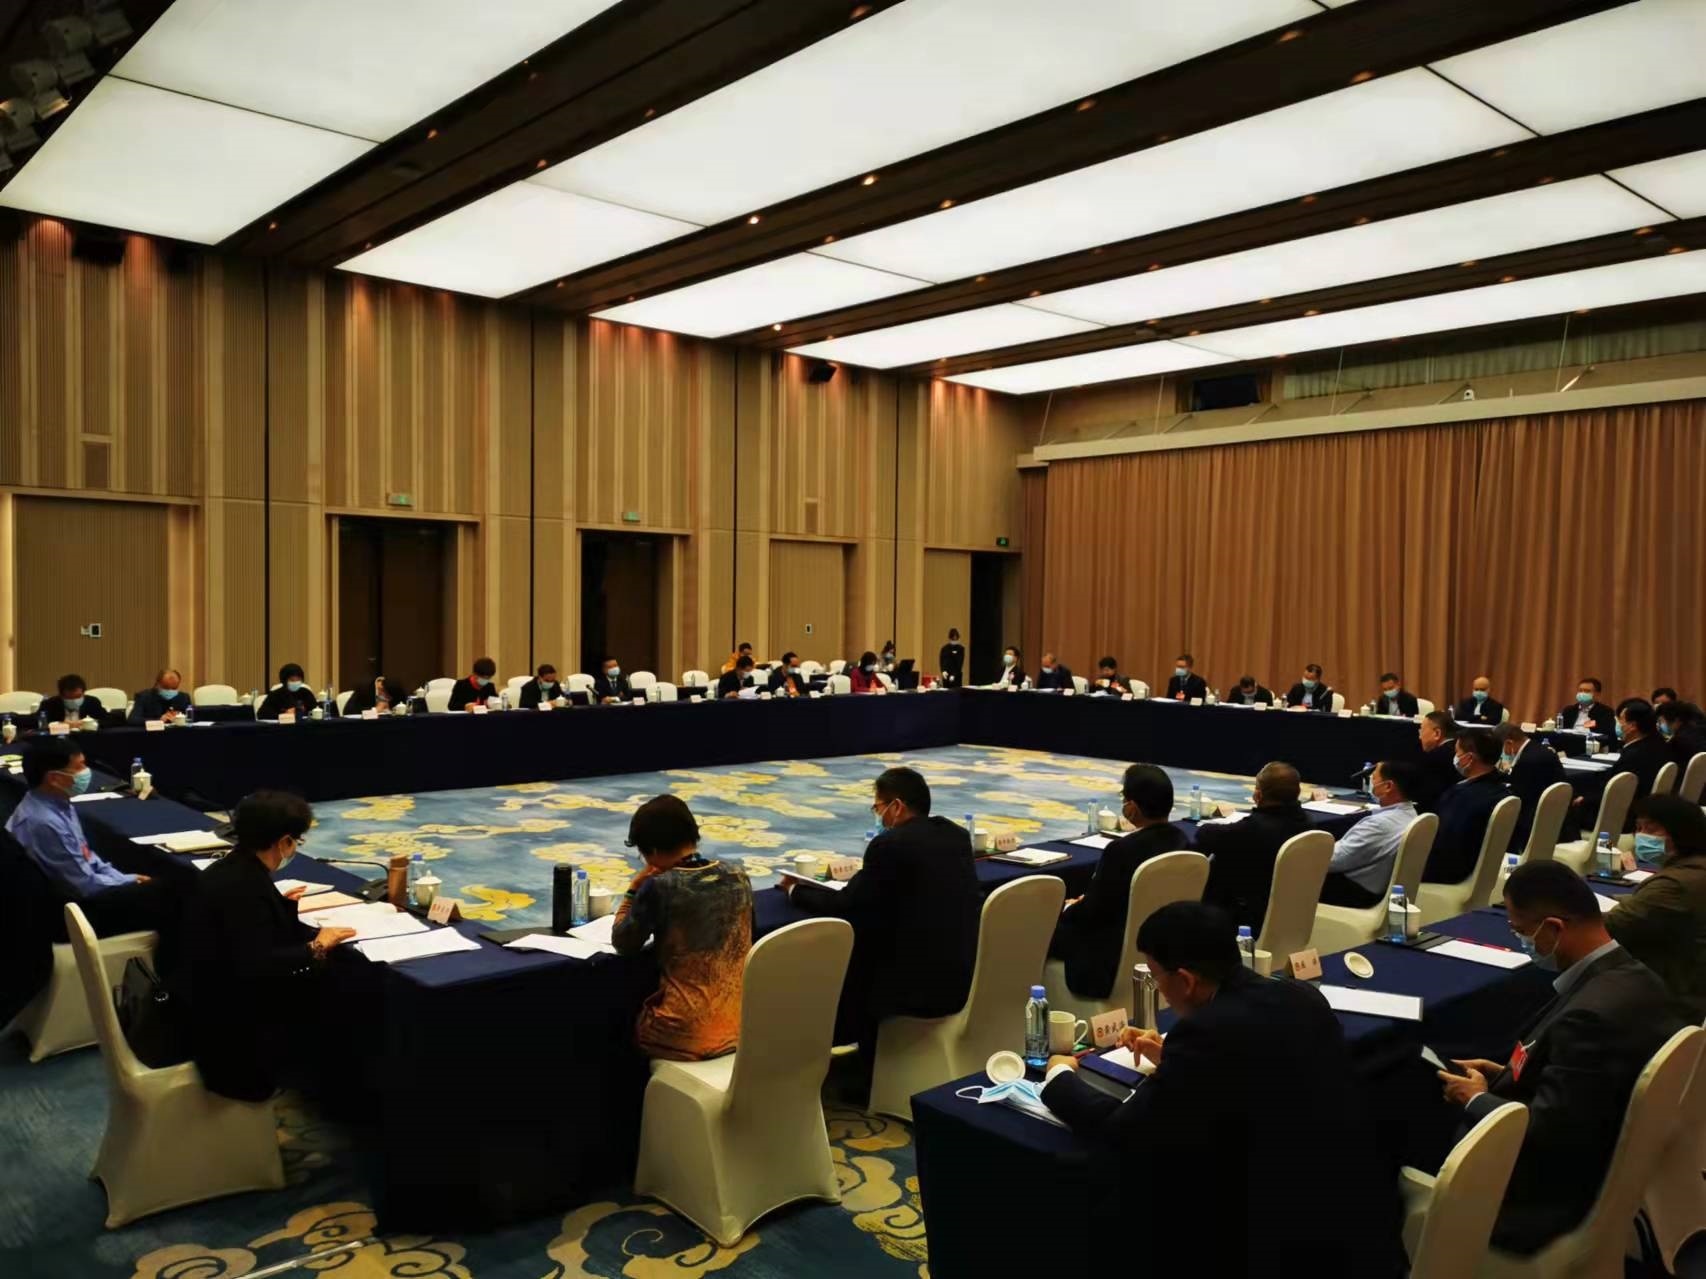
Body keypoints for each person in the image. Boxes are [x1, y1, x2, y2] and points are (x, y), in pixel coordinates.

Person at [1042, 902, 1397, 1277]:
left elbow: (1123, 1129)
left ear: (1186, 981)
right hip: (1354, 1212)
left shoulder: (1206, 1032)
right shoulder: (1301, 997)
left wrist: (1060, 1076)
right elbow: (1255, 1070)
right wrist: (1173, 1058)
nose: (1160, 991)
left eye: (1158, 978)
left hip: (1272, 1236)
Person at [1435, 861, 1685, 1256]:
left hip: (1542, 1199)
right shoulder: (1640, 978)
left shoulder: (1587, 1018)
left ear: (1553, 928)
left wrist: (1477, 1099)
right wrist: (1506, 1075)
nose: (1522, 941)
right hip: (1608, 1162)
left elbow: (1549, 1133)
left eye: (1520, 931)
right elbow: (1587, 1085)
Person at [783, 767, 980, 1068]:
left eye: (878, 808)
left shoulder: (890, 845)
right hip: (963, 978)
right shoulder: (956, 835)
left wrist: (795, 890)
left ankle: (859, 1072)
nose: (878, 816)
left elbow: (846, 904)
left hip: (914, 989)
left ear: (896, 806)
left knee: (848, 963)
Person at [171, 791, 356, 1101]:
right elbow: (258, 961)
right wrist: (317, 945)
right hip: (229, 1031)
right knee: (340, 992)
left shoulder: (232, 869)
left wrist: (280, 906)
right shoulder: (244, 885)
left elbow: (246, 932)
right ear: (284, 841)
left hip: (205, 1001)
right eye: (298, 840)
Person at [612, 796, 754, 1060]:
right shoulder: (738, 876)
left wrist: (633, 891)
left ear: (653, 852)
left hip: (682, 1034)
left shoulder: (660, 887)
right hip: (741, 1027)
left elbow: (623, 942)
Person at [5, 739, 174, 936]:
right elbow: (83, 885)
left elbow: (86, 856)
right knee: (171, 893)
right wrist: (128, 881)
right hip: (65, 913)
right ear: (54, 778)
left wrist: (125, 879)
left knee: (155, 883)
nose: (86, 772)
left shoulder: (58, 804)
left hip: (74, 892)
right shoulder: (43, 822)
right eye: (79, 767)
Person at [1048, 764, 1187, 997]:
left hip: (1108, 956)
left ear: (1132, 807)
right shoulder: (1182, 841)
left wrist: (1070, 908)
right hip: (1165, 946)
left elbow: (1093, 913)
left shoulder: (1122, 850)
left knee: (1041, 930)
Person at [1605, 795, 1706, 1017]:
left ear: (1681, 833)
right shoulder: (1695, 867)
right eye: (1639, 828)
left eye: (1651, 829)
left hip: (1675, 996)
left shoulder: (1674, 884)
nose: (1641, 835)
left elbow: (1611, 926)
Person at [1199, 761, 1312, 931]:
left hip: (1243, 912)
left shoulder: (1253, 829)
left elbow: (1205, 834)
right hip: (1288, 905)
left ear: (1257, 795)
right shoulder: (1308, 822)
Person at [1320, 761, 1419, 908]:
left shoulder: (1379, 825)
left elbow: (1329, 861)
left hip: (1353, 894)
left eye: (1373, 778)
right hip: (1375, 887)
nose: (1371, 782)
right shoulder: (1410, 814)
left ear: (1388, 786)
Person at [1425, 729, 1511, 883]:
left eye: (1457, 752)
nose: (1455, 757)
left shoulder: (1462, 797)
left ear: (1469, 758)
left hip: (1450, 872)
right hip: (1479, 867)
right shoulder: (1502, 789)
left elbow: (1443, 842)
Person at [1494, 722, 1566, 851]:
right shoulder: (1538, 749)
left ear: (1509, 743)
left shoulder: (1527, 761)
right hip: (1556, 819)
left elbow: (1519, 795)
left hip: (1533, 824)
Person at [1607, 697, 1670, 818]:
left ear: (1633, 726)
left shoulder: (1633, 757)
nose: (1618, 724)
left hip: (1626, 814)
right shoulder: (1659, 744)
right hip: (1653, 808)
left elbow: (1616, 794)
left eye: (1621, 720)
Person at [1413, 710, 1461, 814]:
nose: (1420, 736)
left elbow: (1426, 801)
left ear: (1437, 733)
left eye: (1421, 730)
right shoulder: (1460, 751)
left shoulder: (1434, 759)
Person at [255, 664, 322, 720]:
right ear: (284, 681)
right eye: (292, 680)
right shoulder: (275, 695)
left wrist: (303, 711)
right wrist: (284, 714)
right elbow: (261, 714)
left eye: (298, 679)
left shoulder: (306, 692)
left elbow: (316, 710)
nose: (295, 682)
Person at [1558, 676, 1615, 741]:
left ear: (1597, 695)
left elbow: (1606, 735)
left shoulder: (1606, 712)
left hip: (1591, 743)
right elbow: (1559, 730)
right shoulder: (1569, 710)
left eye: (1587, 691)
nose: (1582, 693)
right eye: (1580, 690)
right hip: (1569, 741)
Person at [127, 668, 193, 723]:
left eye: (174, 688)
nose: (170, 691)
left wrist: (180, 719)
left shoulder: (184, 698)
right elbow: (133, 720)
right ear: (157, 684)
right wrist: (159, 720)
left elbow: (192, 718)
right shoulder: (144, 697)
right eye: (166, 688)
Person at [38, 674, 108, 727]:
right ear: (61, 695)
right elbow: (35, 721)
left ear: (83, 693)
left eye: (78, 696)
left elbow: (108, 720)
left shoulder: (92, 702)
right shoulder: (50, 703)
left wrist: (89, 723)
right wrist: (59, 724)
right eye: (69, 697)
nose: (74, 700)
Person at [1658, 700, 1706, 766]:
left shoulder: (1679, 741)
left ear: (1676, 720)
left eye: (1661, 721)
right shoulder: (1699, 729)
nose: (1660, 725)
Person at [343, 674, 408, 716]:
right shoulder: (363, 688)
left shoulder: (394, 688)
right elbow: (347, 711)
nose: (388, 700)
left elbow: (405, 706)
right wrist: (375, 710)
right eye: (387, 697)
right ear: (381, 689)